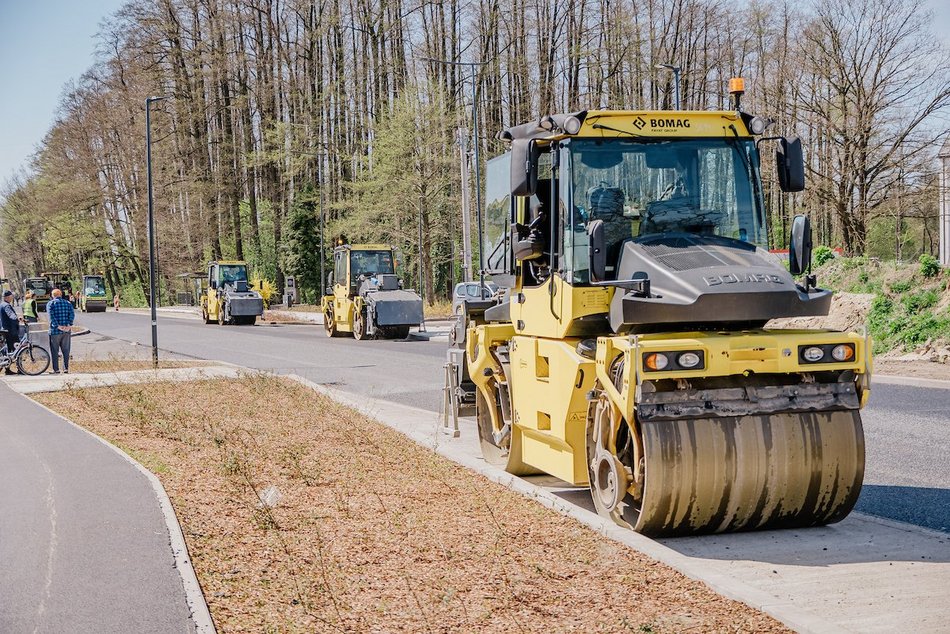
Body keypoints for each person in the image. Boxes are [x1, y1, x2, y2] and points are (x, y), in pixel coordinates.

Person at [47, 288, 75, 374]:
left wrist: (57, 326)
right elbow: (72, 314)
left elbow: (51, 316)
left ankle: (56, 369)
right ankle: (65, 368)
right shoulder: (68, 303)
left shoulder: (50, 304)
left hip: (55, 331)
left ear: (52, 295)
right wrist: (69, 324)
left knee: (54, 351)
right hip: (66, 330)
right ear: (61, 294)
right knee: (66, 350)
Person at [1, 290, 22, 374]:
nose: (12, 298)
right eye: (11, 296)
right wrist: (17, 318)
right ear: (7, 297)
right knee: (17, 349)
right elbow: (10, 314)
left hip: (5, 330)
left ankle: (7, 369)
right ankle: (20, 369)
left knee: (9, 350)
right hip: (11, 331)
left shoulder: (2, 304)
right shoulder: (6, 305)